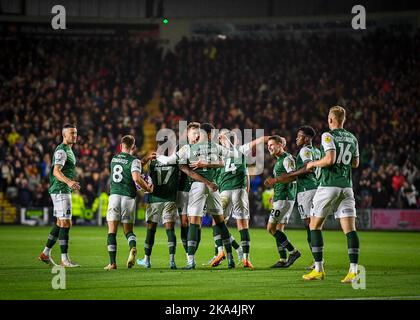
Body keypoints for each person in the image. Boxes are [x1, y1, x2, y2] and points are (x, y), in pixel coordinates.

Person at [157, 123, 237, 269]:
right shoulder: (215, 147)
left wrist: (158, 157)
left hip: (198, 186)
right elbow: (234, 155)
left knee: (194, 222)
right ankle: (231, 259)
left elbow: (168, 161)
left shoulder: (188, 148)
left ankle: (191, 261)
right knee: (220, 222)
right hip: (213, 187)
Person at [303, 106, 360, 283]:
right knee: (350, 229)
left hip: (328, 186)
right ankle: (353, 270)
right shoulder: (352, 138)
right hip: (347, 186)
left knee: (314, 225)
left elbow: (329, 160)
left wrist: (313, 164)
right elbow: (356, 163)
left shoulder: (328, 136)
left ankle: (318, 269)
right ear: (344, 120)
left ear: (330, 120)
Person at [207, 129, 270, 268]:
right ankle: (245, 257)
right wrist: (275, 139)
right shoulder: (241, 149)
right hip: (239, 191)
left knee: (217, 223)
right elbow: (260, 140)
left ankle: (220, 251)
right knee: (243, 225)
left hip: (225, 192)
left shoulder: (219, 154)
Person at [104, 135, 154, 270]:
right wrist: (148, 188)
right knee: (128, 231)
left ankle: (112, 263)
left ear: (121, 145)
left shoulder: (114, 158)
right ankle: (132, 248)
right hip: (128, 199)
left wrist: (144, 160)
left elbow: (128, 166)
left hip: (114, 197)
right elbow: (136, 178)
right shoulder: (135, 161)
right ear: (133, 146)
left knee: (112, 231)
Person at [275, 126, 321, 269]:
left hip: (307, 190)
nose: (296, 138)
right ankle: (318, 260)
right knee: (314, 226)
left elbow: (308, 167)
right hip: (316, 188)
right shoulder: (317, 151)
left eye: (299, 136)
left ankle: (317, 261)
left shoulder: (305, 150)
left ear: (306, 138)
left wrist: (290, 174)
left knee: (310, 226)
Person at [38, 124, 81, 267]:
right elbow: (56, 171)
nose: (74, 135)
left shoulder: (68, 149)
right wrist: (69, 182)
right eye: (71, 133)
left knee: (60, 222)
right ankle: (64, 260)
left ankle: (45, 253)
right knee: (66, 223)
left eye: (75, 133)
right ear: (64, 135)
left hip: (61, 190)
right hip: (61, 190)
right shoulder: (62, 151)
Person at [264, 135, 301, 268]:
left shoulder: (287, 159)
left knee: (271, 228)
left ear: (281, 145)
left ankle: (293, 252)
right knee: (279, 229)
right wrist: (275, 193)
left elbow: (293, 176)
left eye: (272, 145)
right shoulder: (280, 160)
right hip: (281, 197)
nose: (269, 147)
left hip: (285, 198)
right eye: (268, 146)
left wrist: (275, 181)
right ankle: (282, 259)